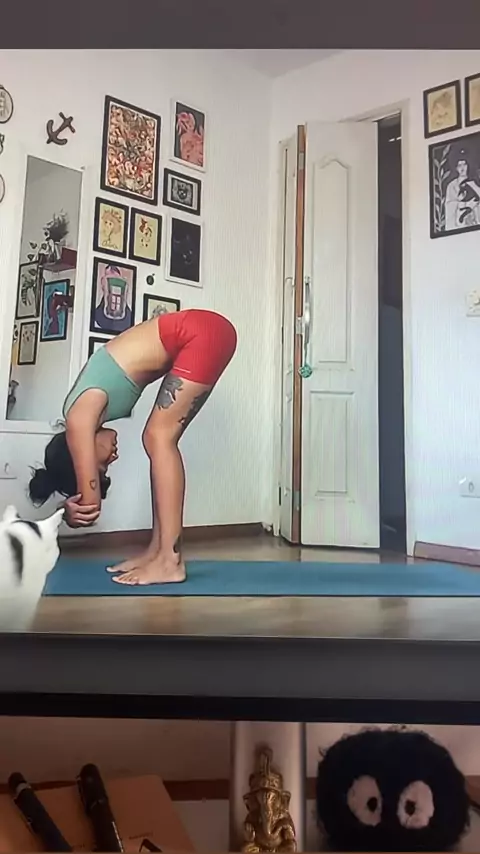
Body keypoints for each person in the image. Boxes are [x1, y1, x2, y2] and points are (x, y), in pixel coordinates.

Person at [28, 309, 237, 586]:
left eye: (102, 465)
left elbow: (89, 505)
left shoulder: (78, 420)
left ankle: (169, 562)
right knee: (156, 437)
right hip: (203, 332)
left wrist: (67, 513)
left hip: (201, 332)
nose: (113, 458)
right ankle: (156, 552)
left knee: (158, 436)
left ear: (79, 452)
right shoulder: (84, 409)